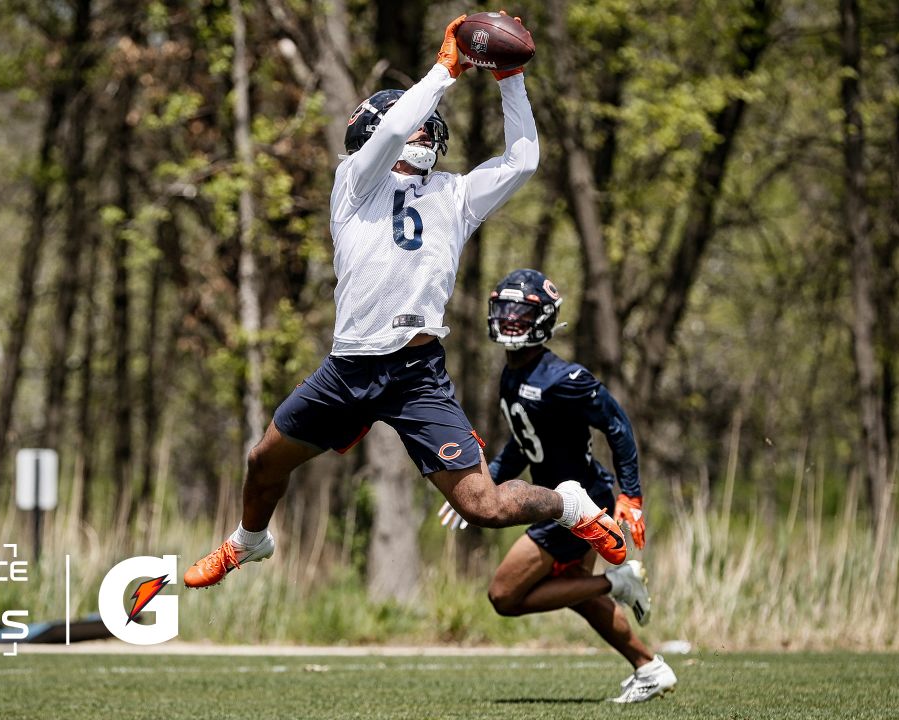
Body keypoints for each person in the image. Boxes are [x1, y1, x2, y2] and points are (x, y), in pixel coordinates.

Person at [184, 15, 627, 591]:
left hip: (416, 372)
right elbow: (394, 131)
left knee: (483, 507)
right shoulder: (355, 182)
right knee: (263, 461)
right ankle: (250, 540)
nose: (423, 134)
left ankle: (569, 505)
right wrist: (444, 70)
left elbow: (523, 162)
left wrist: (510, 78)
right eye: (415, 126)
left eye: (428, 128)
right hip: (349, 369)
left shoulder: (455, 195)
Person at [436, 268, 677, 703]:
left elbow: (618, 426)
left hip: (578, 501)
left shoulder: (564, 380)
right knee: (578, 596)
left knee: (504, 596)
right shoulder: (511, 375)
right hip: (554, 502)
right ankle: (649, 667)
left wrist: (632, 496)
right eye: (503, 309)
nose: (509, 319)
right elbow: (523, 441)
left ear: (544, 319)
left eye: (520, 312)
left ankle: (617, 584)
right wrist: (477, 484)